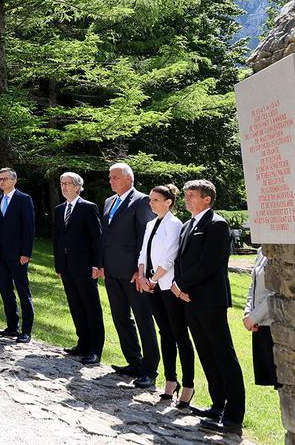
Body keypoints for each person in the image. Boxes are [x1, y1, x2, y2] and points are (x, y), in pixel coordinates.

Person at [172, 180, 245, 435]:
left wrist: (180, 283)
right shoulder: (187, 225)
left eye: (192, 195)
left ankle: (234, 417)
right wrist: (179, 287)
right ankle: (217, 405)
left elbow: (209, 263)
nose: (187, 199)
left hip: (210, 300)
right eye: (186, 195)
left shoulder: (217, 224)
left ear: (207, 199)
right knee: (205, 353)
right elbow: (181, 260)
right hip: (188, 298)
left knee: (223, 354)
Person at [100, 162, 159, 389]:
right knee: (120, 318)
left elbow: (146, 237)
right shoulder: (109, 202)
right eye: (110, 177)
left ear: (128, 179)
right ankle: (133, 361)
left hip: (133, 274)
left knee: (143, 320)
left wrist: (140, 269)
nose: (110, 180)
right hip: (112, 272)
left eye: (115, 177)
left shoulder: (141, 201)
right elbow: (105, 236)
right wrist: (102, 264)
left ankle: (150, 369)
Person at [136, 184, 195, 405]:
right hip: (151, 285)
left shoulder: (174, 224)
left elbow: (170, 256)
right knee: (165, 333)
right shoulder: (151, 223)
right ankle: (171, 380)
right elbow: (143, 251)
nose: (151, 204)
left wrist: (152, 279)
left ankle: (188, 383)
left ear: (168, 202)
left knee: (180, 334)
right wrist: (142, 275)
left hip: (167, 285)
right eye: (150, 200)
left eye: (155, 200)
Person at [53, 172, 104, 365]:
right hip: (66, 267)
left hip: (85, 266)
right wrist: (59, 265)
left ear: (77, 187)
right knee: (75, 305)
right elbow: (57, 239)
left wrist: (97, 265)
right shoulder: (59, 209)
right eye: (62, 183)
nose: (64, 187)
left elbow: (97, 239)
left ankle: (94, 350)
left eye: (68, 184)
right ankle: (82, 344)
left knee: (91, 307)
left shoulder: (88, 208)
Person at [0, 168, 35, 343]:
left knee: (23, 291)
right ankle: (12, 327)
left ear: (14, 181)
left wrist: (26, 253)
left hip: (17, 255)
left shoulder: (24, 199)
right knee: (5, 290)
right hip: (0, 254)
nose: (2, 182)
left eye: (5, 179)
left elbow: (29, 228)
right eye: (0, 179)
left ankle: (26, 331)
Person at [244, 247, 278, 389]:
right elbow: (253, 284)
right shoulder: (261, 250)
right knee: (275, 379)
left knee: (282, 380)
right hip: (260, 325)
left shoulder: (281, 250)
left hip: (274, 323)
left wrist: (254, 317)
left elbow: (277, 291)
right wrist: (248, 312)